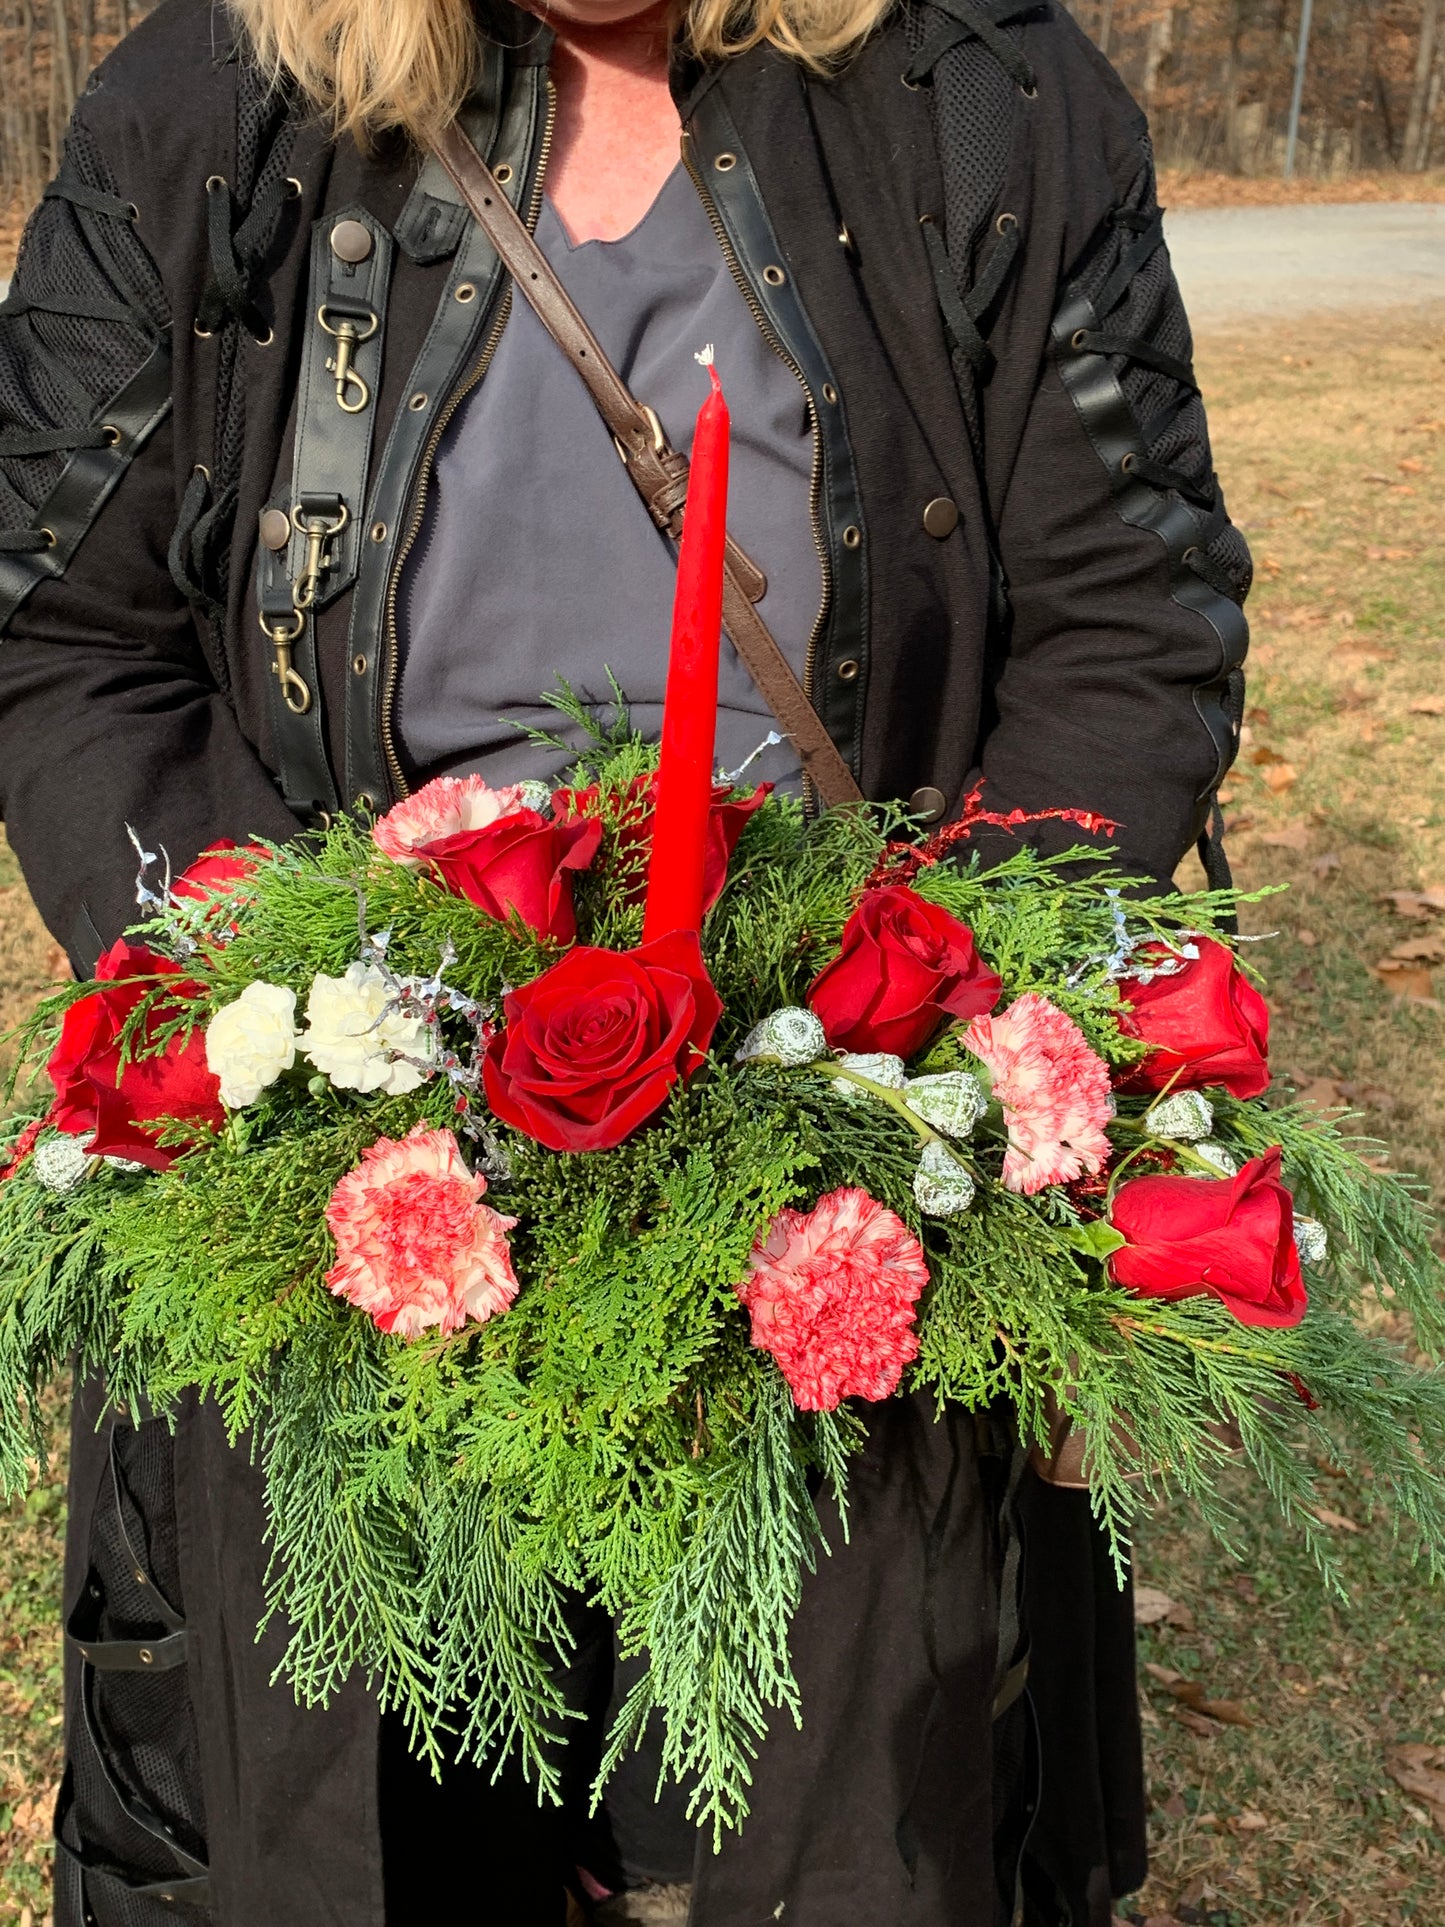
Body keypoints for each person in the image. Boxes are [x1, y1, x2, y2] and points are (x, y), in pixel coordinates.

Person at [0, 0, 1250, 1919]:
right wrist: (266, 1002)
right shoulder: (205, 112)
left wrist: (907, 1025)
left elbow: (1127, 624)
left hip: (829, 1161)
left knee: (841, 1856)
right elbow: (66, 633)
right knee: (345, 1849)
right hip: (339, 1160)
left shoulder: (979, 107)